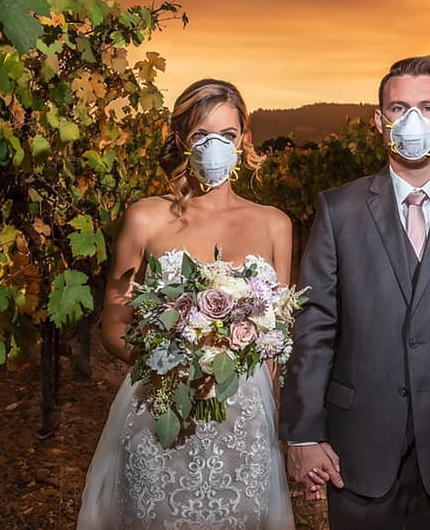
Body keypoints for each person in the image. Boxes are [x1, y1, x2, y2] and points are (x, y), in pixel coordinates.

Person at [279, 55, 430, 529]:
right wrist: (304, 434)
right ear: (379, 121)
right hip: (358, 450)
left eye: (428, 106)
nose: (413, 119)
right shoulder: (338, 210)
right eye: (398, 108)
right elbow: (314, 329)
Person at [77, 79, 295, 530]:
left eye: (227, 135)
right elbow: (113, 324)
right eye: (200, 135)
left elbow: (275, 339)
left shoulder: (276, 225)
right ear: (180, 142)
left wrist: (275, 428)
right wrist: (174, 367)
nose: (214, 146)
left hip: (246, 423)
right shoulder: (145, 217)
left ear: (244, 141)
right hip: (163, 414)